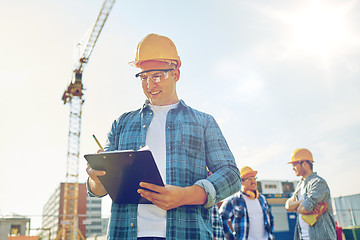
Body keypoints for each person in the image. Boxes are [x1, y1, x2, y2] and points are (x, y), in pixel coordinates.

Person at [86, 33, 241, 240]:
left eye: (157, 75)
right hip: (125, 233)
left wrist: (185, 195)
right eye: (143, 77)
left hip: (187, 233)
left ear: (176, 73)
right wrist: (96, 179)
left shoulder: (203, 122)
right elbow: (99, 190)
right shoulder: (121, 124)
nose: (150, 85)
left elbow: (231, 176)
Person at [285, 148, 336, 240]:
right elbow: (288, 206)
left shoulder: (318, 183)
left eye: (294, 164)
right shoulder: (299, 185)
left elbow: (304, 209)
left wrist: (298, 205)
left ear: (304, 164)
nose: (293, 168)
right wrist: (302, 202)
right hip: (303, 237)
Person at [219, 166, 274, 240]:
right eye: (250, 179)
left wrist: (270, 234)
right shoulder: (234, 200)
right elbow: (220, 218)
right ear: (242, 182)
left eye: (254, 178)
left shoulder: (262, 199)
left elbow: (270, 217)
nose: (254, 182)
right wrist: (230, 236)